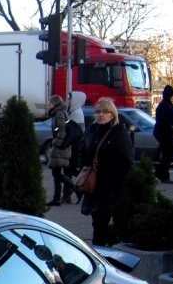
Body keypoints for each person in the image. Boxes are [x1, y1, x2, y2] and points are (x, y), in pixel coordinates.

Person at [80, 97, 135, 247]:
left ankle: (106, 251)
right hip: (95, 185)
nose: (100, 115)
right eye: (97, 112)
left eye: (105, 112)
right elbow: (83, 154)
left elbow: (128, 161)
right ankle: (98, 252)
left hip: (113, 185)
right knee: (98, 223)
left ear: (113, 114)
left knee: (108, 221)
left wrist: (127, 186)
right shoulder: (91, 131)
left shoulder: (119, 133)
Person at [46, 95, 81, 205]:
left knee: (57, 173)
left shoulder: (59, 114)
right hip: (62, 147)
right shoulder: (60, 113)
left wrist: (56, 143)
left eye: (50, 104)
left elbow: (62, 131)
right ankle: (57, 198)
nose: (48, 106)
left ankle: (76, 190)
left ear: (55, 104)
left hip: (60, 148)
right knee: (57, 173)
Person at [153, 85, 173, 183]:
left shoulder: (172, 106)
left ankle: (160, 171)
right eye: (172, 96)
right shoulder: (163, 106)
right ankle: (164, 176)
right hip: (164, 134)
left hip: (171, 134)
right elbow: (162, 119)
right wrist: (171, 126)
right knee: (168, 153)